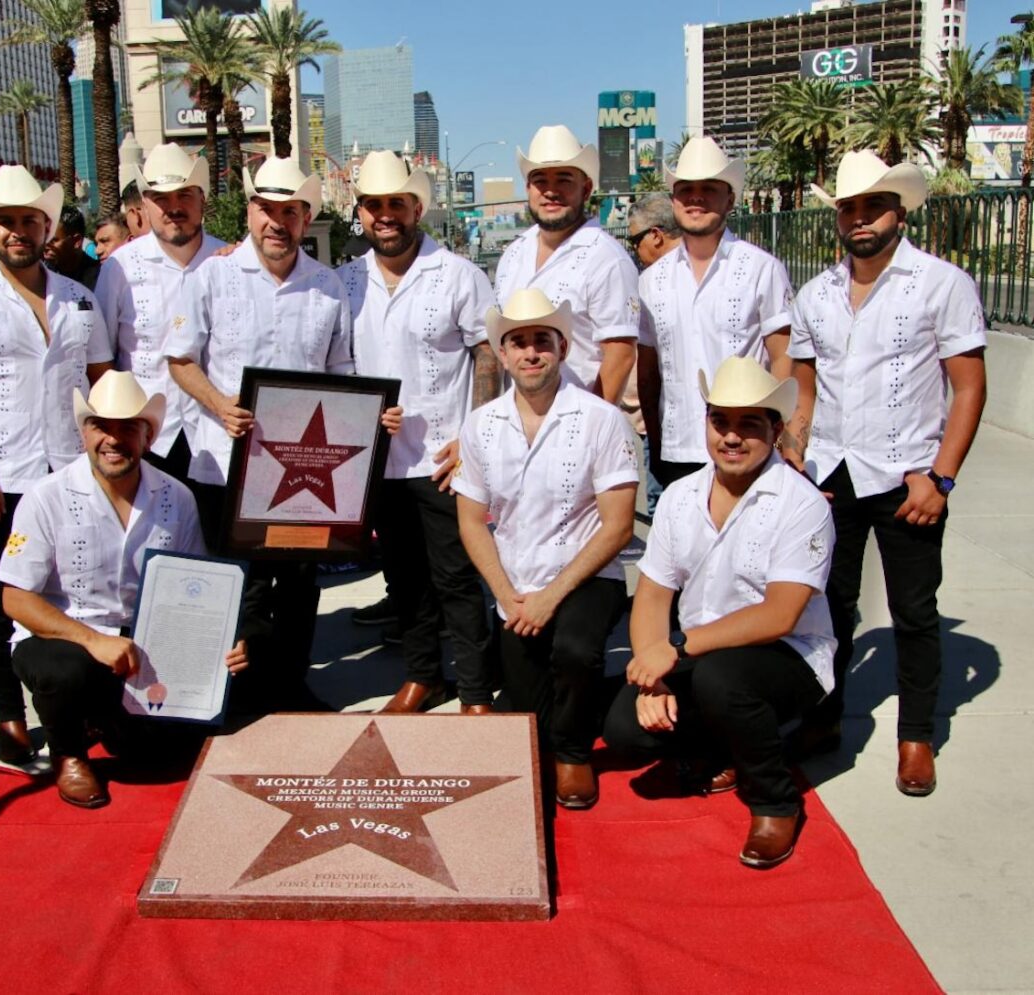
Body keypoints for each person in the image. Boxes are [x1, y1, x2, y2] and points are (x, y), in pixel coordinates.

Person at [783, 150, 988, 794]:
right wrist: (796, 460)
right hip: (830, 475)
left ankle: (916, 736)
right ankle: (822, 718)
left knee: (914, 611)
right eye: (849, 207)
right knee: (826, 606)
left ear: (900, 213)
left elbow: (968, 387)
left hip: (908, 478)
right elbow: (804, 393)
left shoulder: (941, 283)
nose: (861, 217)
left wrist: (941, 478)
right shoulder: (815, 294)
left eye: (874, 205)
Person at [604, 357, 835, 869]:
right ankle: (723, 745)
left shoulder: (801, 504)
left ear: (775, 430)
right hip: (702, 652)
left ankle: (775, 800)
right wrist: (653, 677)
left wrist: (675, 649)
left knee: (721, 680)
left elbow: (780, 615)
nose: (731, 437)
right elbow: (653, 595)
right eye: (720, 422)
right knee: (625, 729)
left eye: (748, 424)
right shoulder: (680, 496)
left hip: (788, 656)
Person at [0, 165, 113, 765]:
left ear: (46, 226)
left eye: (29, 220)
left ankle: (75, 707)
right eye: (4, 220)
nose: (17, 231)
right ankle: (9, 715)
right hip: (3, 478)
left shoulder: (78, 299)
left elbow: (101, 382)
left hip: (71, 473)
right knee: (4, 597)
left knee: (76, 588)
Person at [0, 371, 247, 808]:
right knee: (64, 673)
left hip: (143, 643)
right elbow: (15, 598)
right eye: (101, 426)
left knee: (164, 754)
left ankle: (106, 719)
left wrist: (223, 639)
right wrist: (93, 641)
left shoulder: (177, 496)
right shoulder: (45, 496)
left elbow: (198, 585)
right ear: (84, 432)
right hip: (65, 639)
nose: (113, 439)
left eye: (128, 427)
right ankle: (69, 754)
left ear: (147, 437)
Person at [166, 157, 358, 711]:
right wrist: (220, 404)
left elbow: (341, 372)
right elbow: (180, 360)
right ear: (250, 213)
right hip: (224, 461)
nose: (277, 222)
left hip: (303, 473)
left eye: (290, 212)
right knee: (236, 582)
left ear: (305, 219)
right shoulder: (211, 276)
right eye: (267, 210)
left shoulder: (327, 286)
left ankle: (291, 685)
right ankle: (237, 693)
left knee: (298, 582)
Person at [455, 289, 638, 808]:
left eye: (542, 340)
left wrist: (550, 597)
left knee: (574, 653)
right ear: (503, 354)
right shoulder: (480, 424)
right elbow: (471, 521)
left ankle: (574, 754)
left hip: (586, 576)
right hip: (515, 586)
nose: (531, 352)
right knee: (527, 713)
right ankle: (564, 719)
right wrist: (505, 595)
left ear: (562, 348)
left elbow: (618, 527)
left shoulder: (602, 419)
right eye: (519, 342)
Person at [337, 150, 500, 714]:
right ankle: (423, 676)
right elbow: (337, 366)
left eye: (396, 204)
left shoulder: (458, 274)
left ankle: (475, 689)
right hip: (376, 460)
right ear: (361, 212)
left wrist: (473, 437)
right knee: (404, 578)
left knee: (456, 578)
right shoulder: (344, 280)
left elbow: (487, 354)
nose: (385, 215)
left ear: (416, 208)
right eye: (373, 204)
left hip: (443, 459)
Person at [637, 137, 794, 487]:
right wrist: (656, 442)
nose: (696, 198)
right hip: (676, 452)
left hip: (745, 447)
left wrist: (781, 441)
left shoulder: (761, 269)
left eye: (709, 189)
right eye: (686, 190)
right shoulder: (651, 281)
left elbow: (784, 360)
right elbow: (648, 374)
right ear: (674, 200)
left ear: (730, 199)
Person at [96, 144, 226, 482]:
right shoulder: (120, 268)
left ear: (202, 199)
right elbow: (101, 358)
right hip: (144, 438)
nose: (173, 207)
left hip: (215, 434)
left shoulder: (230, 262)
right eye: (161, 199)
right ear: (145, 205)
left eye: (184, 195)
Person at [494, 125, 639, 403]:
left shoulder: (606, 257)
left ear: (586, 189)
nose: (551, 191)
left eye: (563, 180)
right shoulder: (513, 255)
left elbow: (620, 354)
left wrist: (591, 422)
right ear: (528, 189)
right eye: (540, 181)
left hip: (578, 416)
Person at [622, 193, 681, 517]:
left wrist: (652, 433)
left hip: (663, 426)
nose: (635, 250)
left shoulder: (648, 285)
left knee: (666, 516)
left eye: (635, 241)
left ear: (656, 235)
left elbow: (647, 372)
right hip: (669, 425)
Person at [44, 204, 100, 291]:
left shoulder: (99, 278)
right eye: (45, 238)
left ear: (77, 241)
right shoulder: (41, 274)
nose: (46, 245)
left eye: (53, 240)